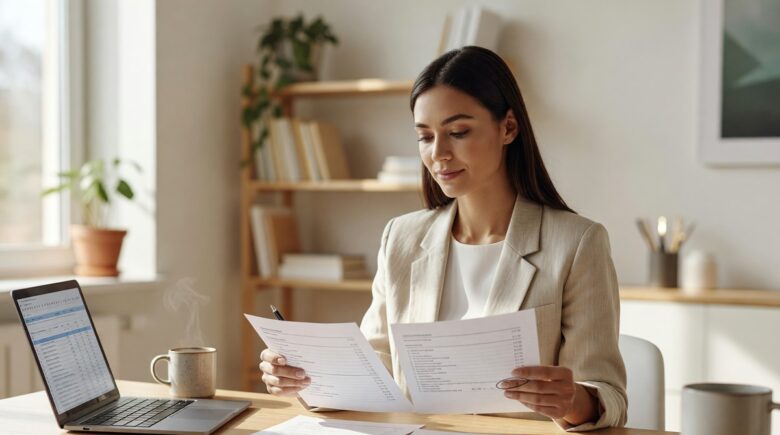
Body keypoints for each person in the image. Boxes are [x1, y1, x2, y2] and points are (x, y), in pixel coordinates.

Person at [258, 46, 627, 431]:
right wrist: (306, 378)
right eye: (425, 137)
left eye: (458, 132)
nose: (438, 154)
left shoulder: (578, 242)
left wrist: (572, 401)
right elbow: (377, 364)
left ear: (509, 127)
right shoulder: (401, 236)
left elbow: (609, 396)